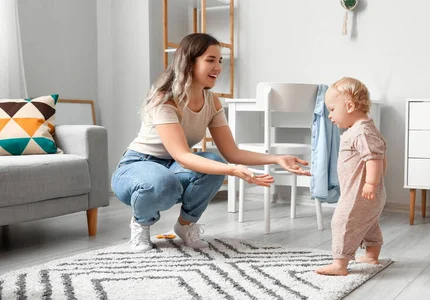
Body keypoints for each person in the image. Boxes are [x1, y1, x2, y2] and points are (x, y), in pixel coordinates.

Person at [111, 33, 310, 252]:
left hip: (175, 167)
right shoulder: (165, 99)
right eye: (210, 60)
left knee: (214, 163)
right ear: (189, 62)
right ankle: (141, 224)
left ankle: (186, 225)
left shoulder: (212, 101)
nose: (218, 67)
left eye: (220, 61)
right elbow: (183, 156)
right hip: (138, 166)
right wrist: (232, 170)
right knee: (162, 183)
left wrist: (276, 158)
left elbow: (232, 153)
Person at [315, 77, 387, 276]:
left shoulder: (361, 132)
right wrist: (378, 184)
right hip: (368, 192)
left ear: (349, 106)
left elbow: (374, 158)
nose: (330, 115)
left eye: (331, 109)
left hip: (360, 192)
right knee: (369, 223)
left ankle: (339, 264)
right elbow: (381, 157)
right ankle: (372, 256)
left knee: (342, 221)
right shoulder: (365, 129)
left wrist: (371, 183)